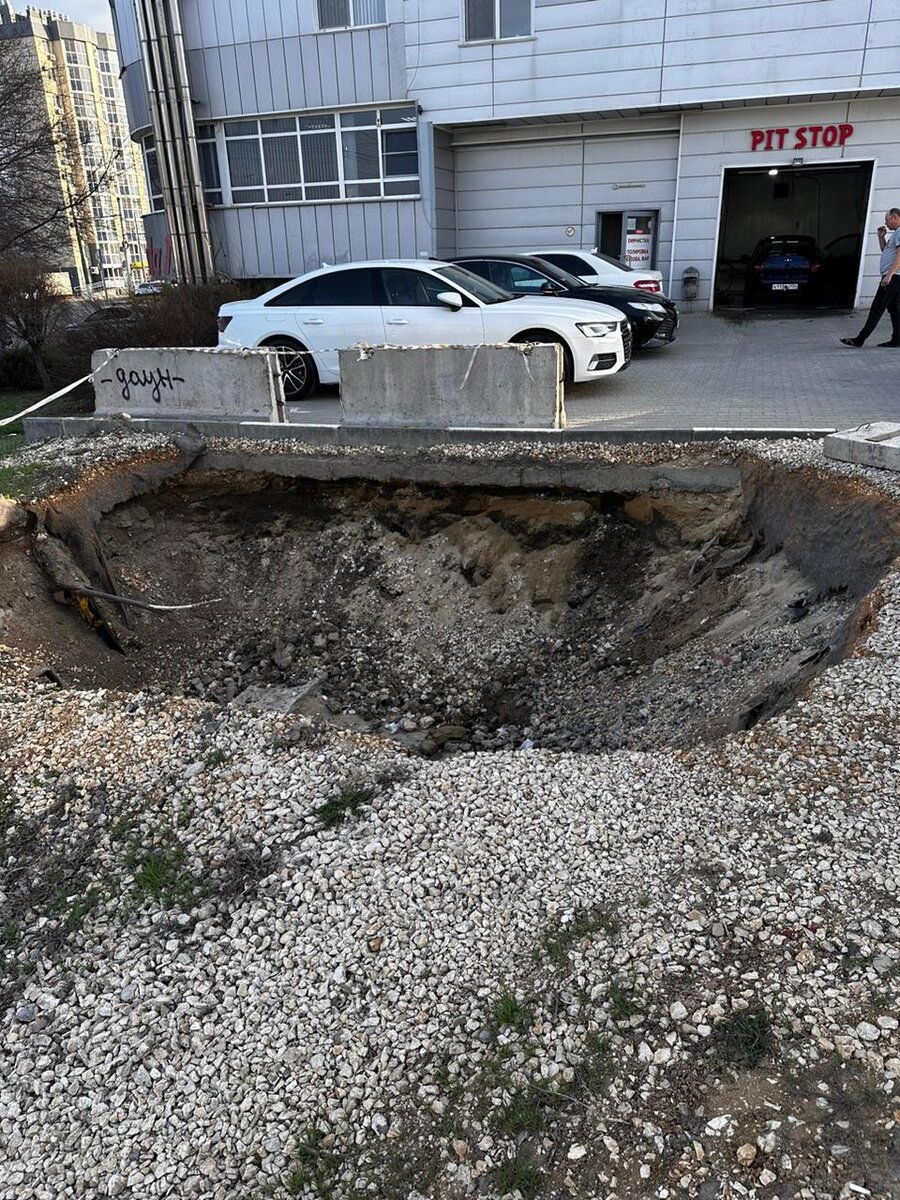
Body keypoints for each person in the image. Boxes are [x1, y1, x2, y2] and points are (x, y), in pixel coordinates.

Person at [840, 208, 900, 347]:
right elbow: (887, 251)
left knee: (877, 308)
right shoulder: (896, 233)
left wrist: (889, 275)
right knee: (895, 309)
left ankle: (860, 339)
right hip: (895, 276)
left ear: (895, 217)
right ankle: (897, 339)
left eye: (887, 219)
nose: (886, 222)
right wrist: (881, 237)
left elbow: (899, 256)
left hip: (894, 276)